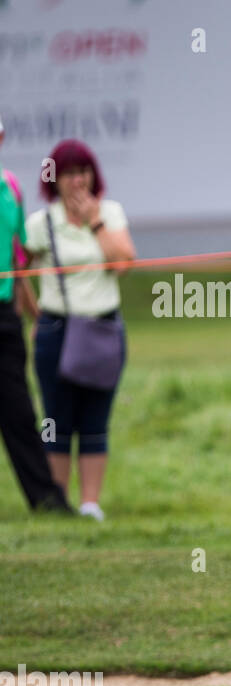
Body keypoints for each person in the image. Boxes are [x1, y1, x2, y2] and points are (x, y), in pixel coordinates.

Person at [24, 139, 136, 520]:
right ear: (53, 179)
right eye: (69, 173)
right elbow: (18, 270)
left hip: (102, 329)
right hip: (56, 330)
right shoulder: (40, 225)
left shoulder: (112, 213)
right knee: (56, 418)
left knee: (94, 418)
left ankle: (90, 503)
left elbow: (122, 263)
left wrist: (96, 222)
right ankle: (58, 501)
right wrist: (33, 315)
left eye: (83, 171)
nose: (77, 180)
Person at [0, 115, 72, 513]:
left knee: (19, 411)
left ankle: (46, 501)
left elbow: (18, 256)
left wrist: (33, 312)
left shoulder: (9, 187)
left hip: (5, 316)